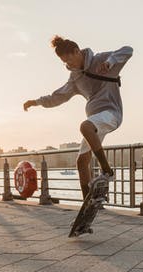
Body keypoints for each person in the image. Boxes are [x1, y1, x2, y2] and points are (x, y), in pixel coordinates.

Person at [23, 36, 133, 200]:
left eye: (69, 59)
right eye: (63, 61)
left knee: (84, 126)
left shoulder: (101, 59)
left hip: (111, 113)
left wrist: (110, 62)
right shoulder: (75, 78)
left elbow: (128, 50)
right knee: (81, 162)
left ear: (77, 51)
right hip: (95, 122)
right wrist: (36, 102)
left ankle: (107, 170)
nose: (68, 64)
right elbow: (57, 97)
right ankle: (87, 201)